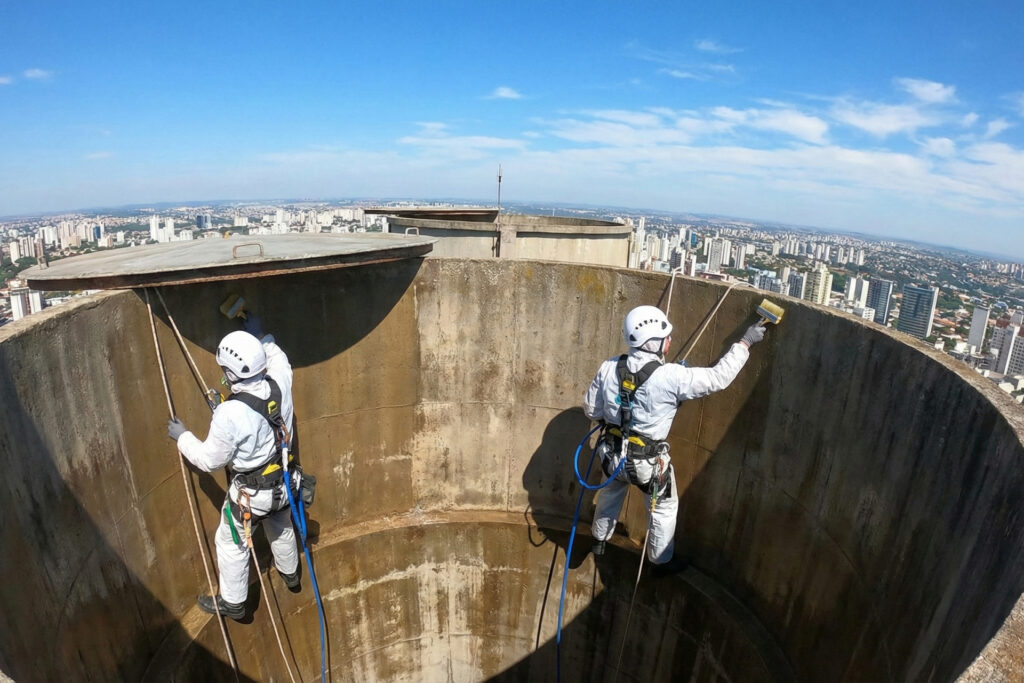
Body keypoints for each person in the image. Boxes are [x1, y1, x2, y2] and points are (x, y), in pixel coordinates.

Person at [583, 305, 766, 575]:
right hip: (648, 465)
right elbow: (718, 378)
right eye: (666, 336)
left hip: (611, 454)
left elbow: (591, 410)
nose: (670, 340)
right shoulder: (672, 377)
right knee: (663, 509)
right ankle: (659, 561)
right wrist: (745, 342)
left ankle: (599, 539)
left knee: (611, 490)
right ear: (653, 342)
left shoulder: (610, 366)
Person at [168, 318, 300, 619]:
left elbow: (209, 460)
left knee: (231, 542)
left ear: (229, 373)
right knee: (281, 528)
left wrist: (183, 437)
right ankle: (291, 575)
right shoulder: (280, 380)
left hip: (252, 496)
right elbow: (278, 356)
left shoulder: (228, 413)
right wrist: (260, 336)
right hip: (284, 485)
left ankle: (235, 603)